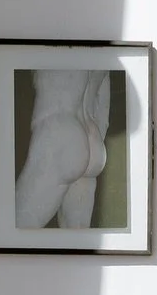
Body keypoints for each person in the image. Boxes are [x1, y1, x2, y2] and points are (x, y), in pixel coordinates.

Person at [14, 69, 113, 229]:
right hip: (93, 139)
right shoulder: (104, 54)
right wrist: (92, 139)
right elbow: (103, 107)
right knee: (77, 240)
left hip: (60, 131)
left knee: (14, 228)